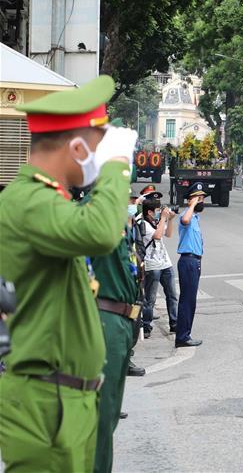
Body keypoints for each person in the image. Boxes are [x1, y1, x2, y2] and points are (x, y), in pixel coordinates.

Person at [0, 75, 137, 472]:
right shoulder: (28, 200)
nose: (101, 154)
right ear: (77, 147)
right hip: (44, 404)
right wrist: (116, 168)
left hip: (64, 399)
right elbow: (100, 232)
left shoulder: (46, 201)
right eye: (97, 145)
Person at [87, 182, 144, 473]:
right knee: (98, 424)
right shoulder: (95, 212)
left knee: (107, 418)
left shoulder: (119, 220)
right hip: (103, 320)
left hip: (120, 322)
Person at [140, 189, 179, 338]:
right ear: (150, 212)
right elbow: (156, 236)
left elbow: (168, 234)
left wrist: (170, 219)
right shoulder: (144, 224)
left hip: (165, 263)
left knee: (172, 295)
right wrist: (163, 218)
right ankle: (146, 326)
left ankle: (174, 324)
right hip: (152, 265)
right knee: (150, 299)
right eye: (157, 210)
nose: (159, 212)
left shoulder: (157, 222)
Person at [175, 182, 207, 348]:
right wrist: (192, 203)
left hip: (194, 262)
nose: (201, 201)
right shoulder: (185, 216)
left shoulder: (195, 218)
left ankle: (184, 334)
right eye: (198, 198)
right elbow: (185, 219)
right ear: (190, 201)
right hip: (188, 261)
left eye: (202, 199)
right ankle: (182, 336)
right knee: (187, 300)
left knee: (190, 300)